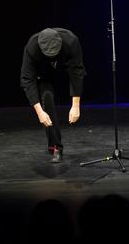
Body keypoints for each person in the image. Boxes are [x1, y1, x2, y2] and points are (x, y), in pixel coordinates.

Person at [20, 27, 86, 163]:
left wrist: (75, 106)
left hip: (65, 70)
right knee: (47, 99)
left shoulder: (71, 41)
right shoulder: (32, 47)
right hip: (45, 75)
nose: (52, 56)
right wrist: (40, 112)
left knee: (75, 89)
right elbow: (27, 80)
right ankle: (56, 147)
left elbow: (77, 72)